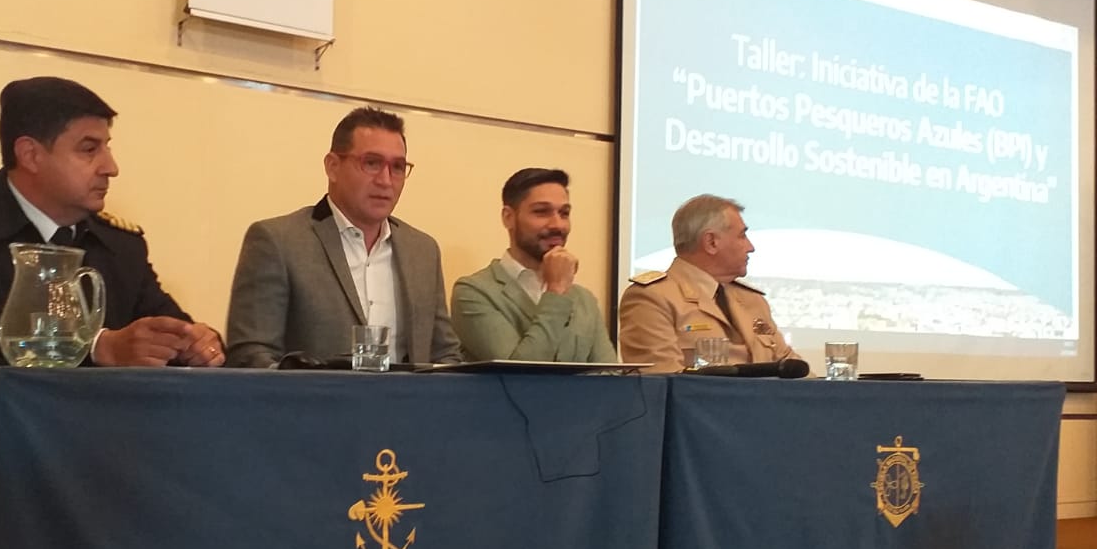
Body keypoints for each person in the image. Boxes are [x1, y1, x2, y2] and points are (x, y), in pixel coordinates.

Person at [0, 76, 224, 368]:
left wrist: (195, 343)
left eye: (107, 147)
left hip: (98, 425)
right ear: (30, 155)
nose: (110, 167)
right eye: (89, 149)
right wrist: (98, 347)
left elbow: (165, 325)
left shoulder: (119, 243)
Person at [225, 105, 462, 367]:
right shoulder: (278, 241)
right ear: (333, 166)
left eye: (397, 167)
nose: (386, 180)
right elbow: (250, 356)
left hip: (407, 405)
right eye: (371, 163)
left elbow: (444, 353)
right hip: (313, 405)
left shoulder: (423, 251)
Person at [450, 168, 616, 363]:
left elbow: (612, 378)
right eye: (541, 212)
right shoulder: (474, 292)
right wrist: (556, 291)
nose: (558, 225)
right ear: (508, 217)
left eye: (564, 213)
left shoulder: (584, 300)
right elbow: (520, 372)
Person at [618, 195, 798, 373]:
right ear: (711, 242)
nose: (751, 247)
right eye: (742, 236)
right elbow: (660, 382)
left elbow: (795, 369)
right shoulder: (652, 297)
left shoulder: (752, 300)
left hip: (767, 401)